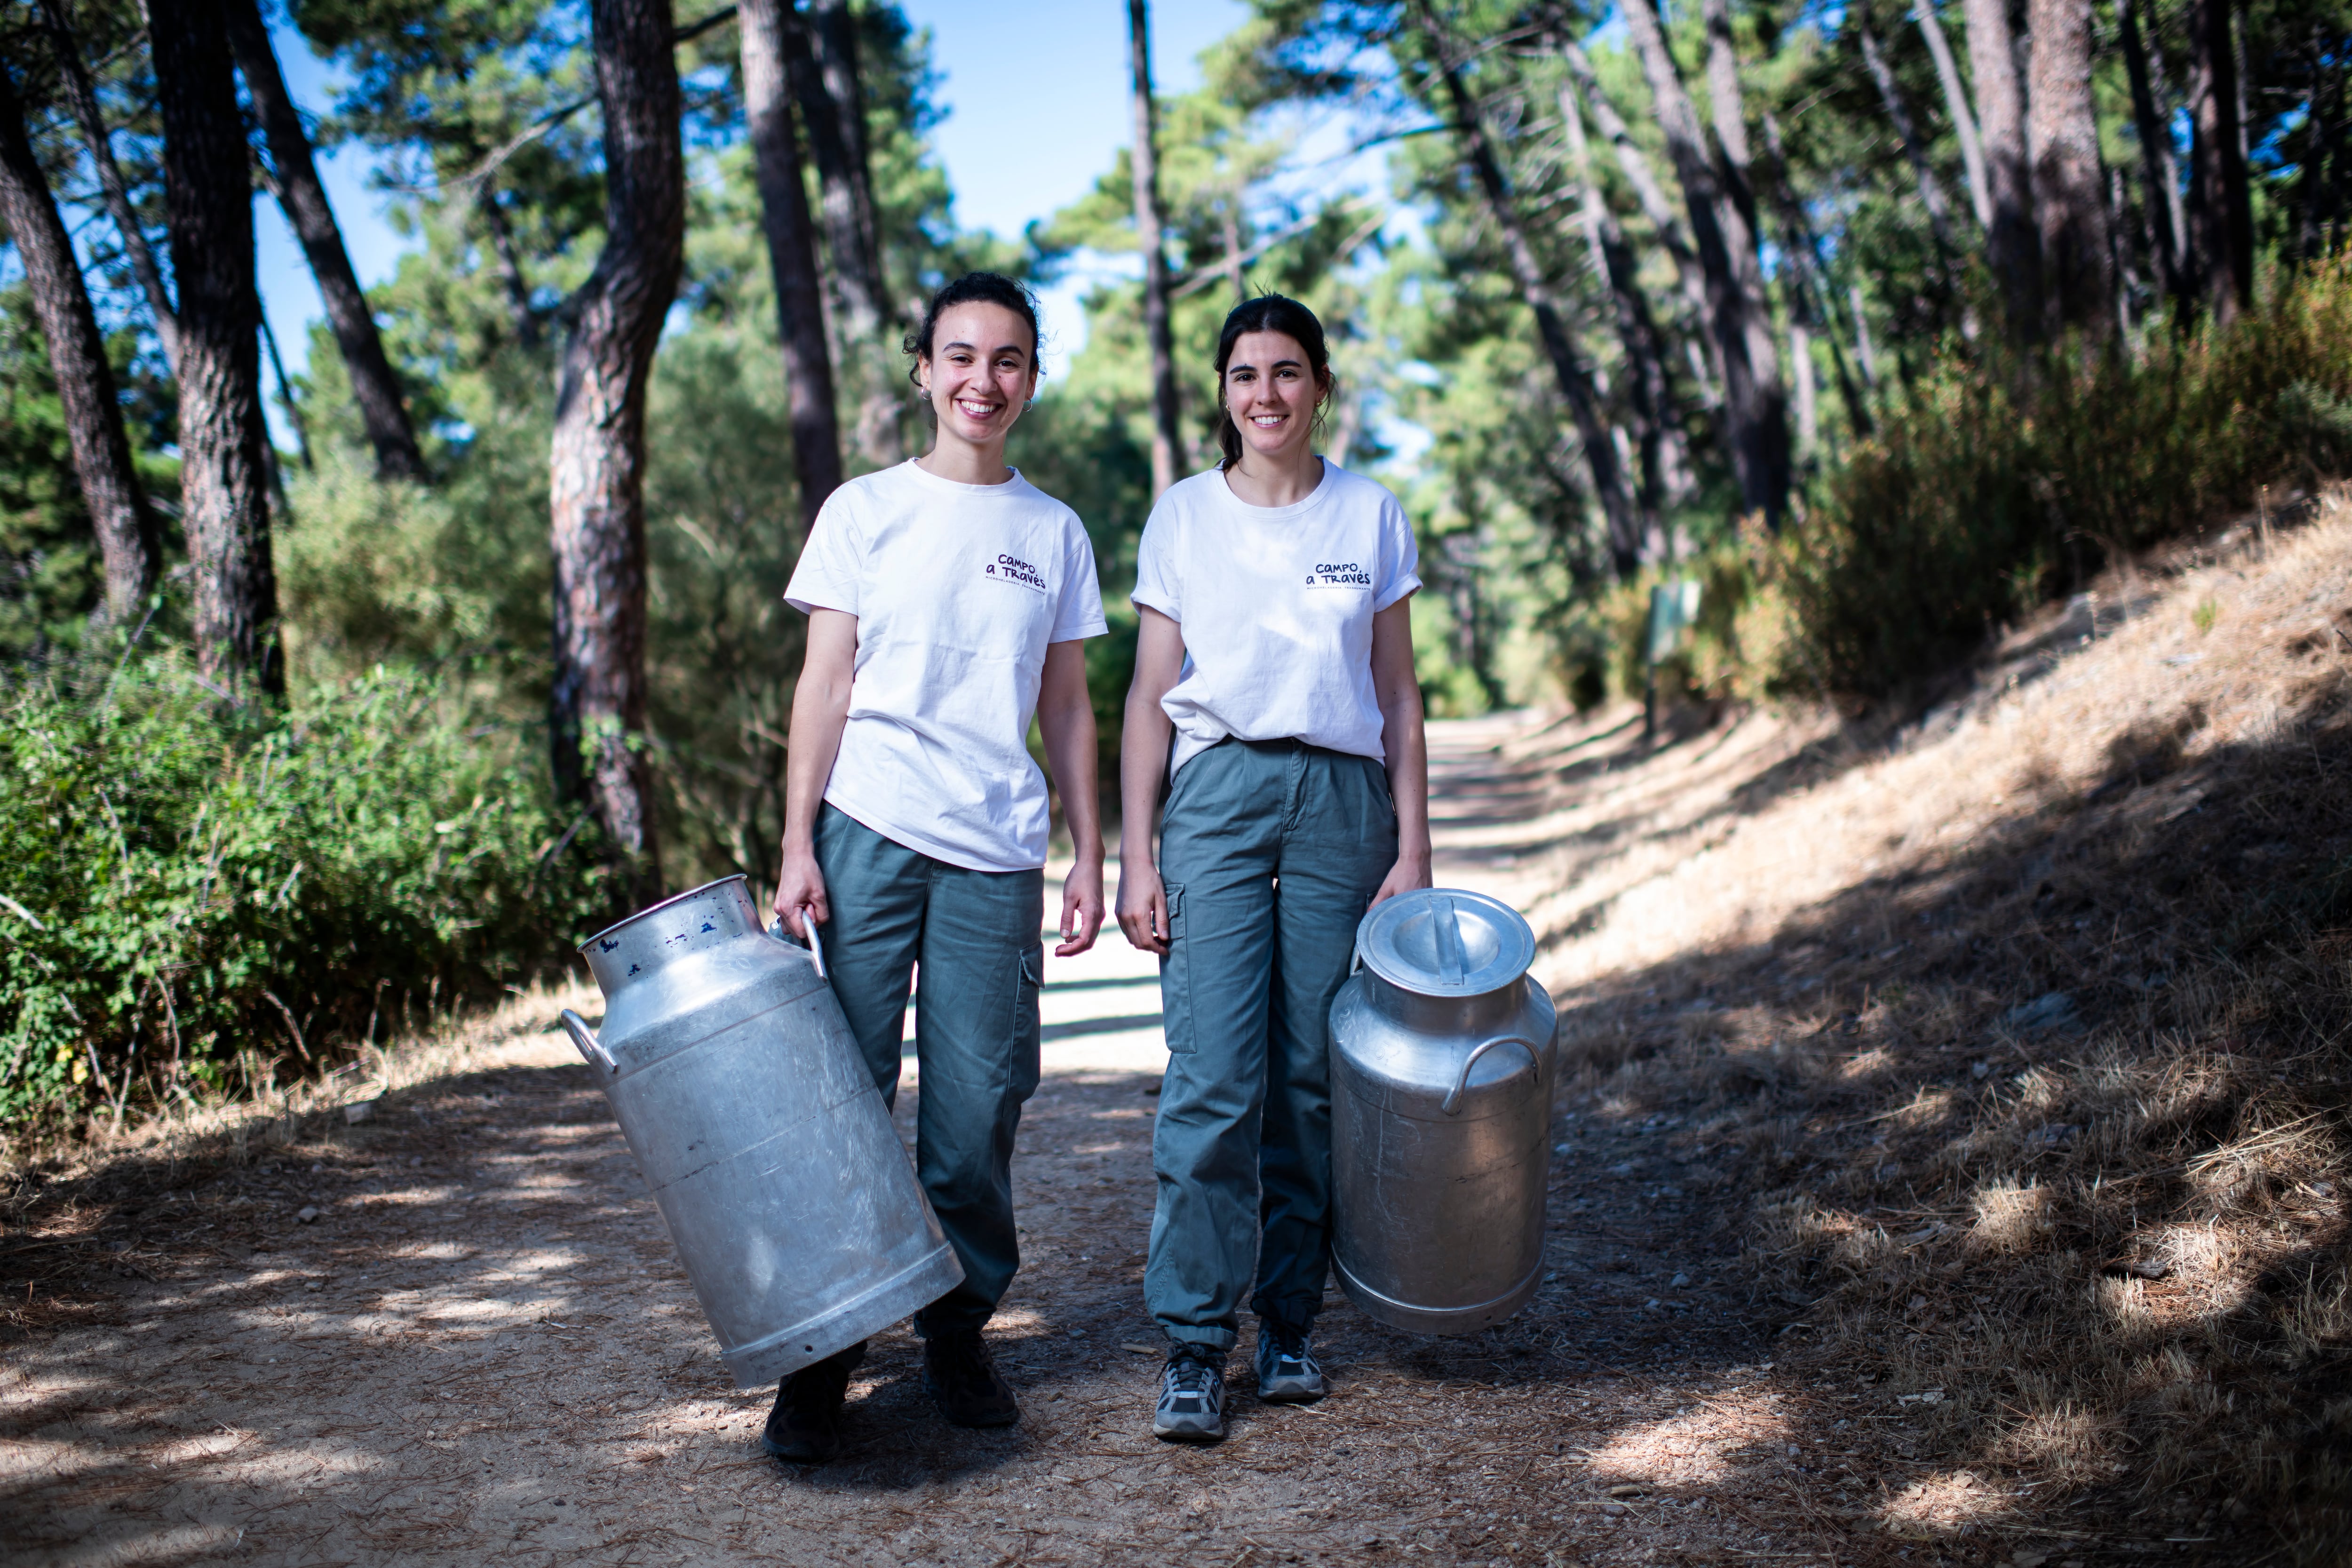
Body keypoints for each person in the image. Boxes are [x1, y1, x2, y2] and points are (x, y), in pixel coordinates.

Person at [765, 271, 1107, 1463]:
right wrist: (799, 839)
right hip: (865, 828)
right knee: (842, 1098)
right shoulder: (862, 510)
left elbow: (1066, 706)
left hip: (996, 852)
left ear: (1031, 376)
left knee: (977, 1110)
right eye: (961, 356)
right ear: (922, 367)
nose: (983, 380)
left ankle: (956, 1325)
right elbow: (825, 684)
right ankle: (823, 1355)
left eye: (1008, 359)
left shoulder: (1053, 530)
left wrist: (1088, 850)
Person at [1115, 294, 1431, 1443]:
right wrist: (1135, 854)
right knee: (1212, 1077)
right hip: (1218, 797)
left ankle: (1289, 1321)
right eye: (1244, 374)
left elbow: (1397, 694)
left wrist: (1413, 846)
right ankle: (1195, 1343)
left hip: (1341, 802)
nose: (1265, 394)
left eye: (1286, 371)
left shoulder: (1371, 513)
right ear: (1224, 393)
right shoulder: (1184, 516)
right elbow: (1149, 699)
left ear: (1321, 385)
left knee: (1308, 1076)